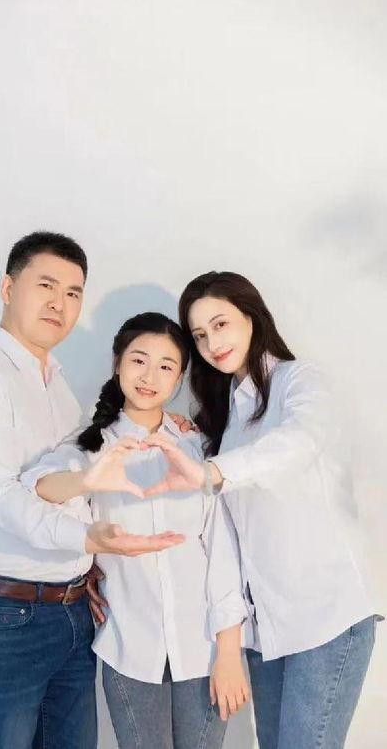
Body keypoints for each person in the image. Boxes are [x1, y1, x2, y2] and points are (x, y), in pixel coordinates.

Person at [0, 232, 185, 749]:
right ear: (8, 288)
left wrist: (163, 424)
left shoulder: (57, 383)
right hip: (1, 617)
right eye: (46, 285)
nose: (60, 303)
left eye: (73, 292)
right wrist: (87, 539)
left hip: (70, 613)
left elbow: (79, 478)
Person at [135, 271, 381, 749]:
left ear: (252, 316)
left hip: (327, 614)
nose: (212, 344)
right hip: (266, 626)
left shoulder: (299, 380)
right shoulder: (227, 417)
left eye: (221, 324)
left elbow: (299, 442)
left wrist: (212, 471)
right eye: (199, 335)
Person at [20, 312, 252, 749]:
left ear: (179, 378)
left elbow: (223, 555)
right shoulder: (92, 446)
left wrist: (228, 652)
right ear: (117, 363)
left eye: (166, 366)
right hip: (128, 648)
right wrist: (88, 481)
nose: (149, 376)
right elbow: (37, 487)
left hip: (203, 649)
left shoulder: (197, 448)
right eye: (139, 360)